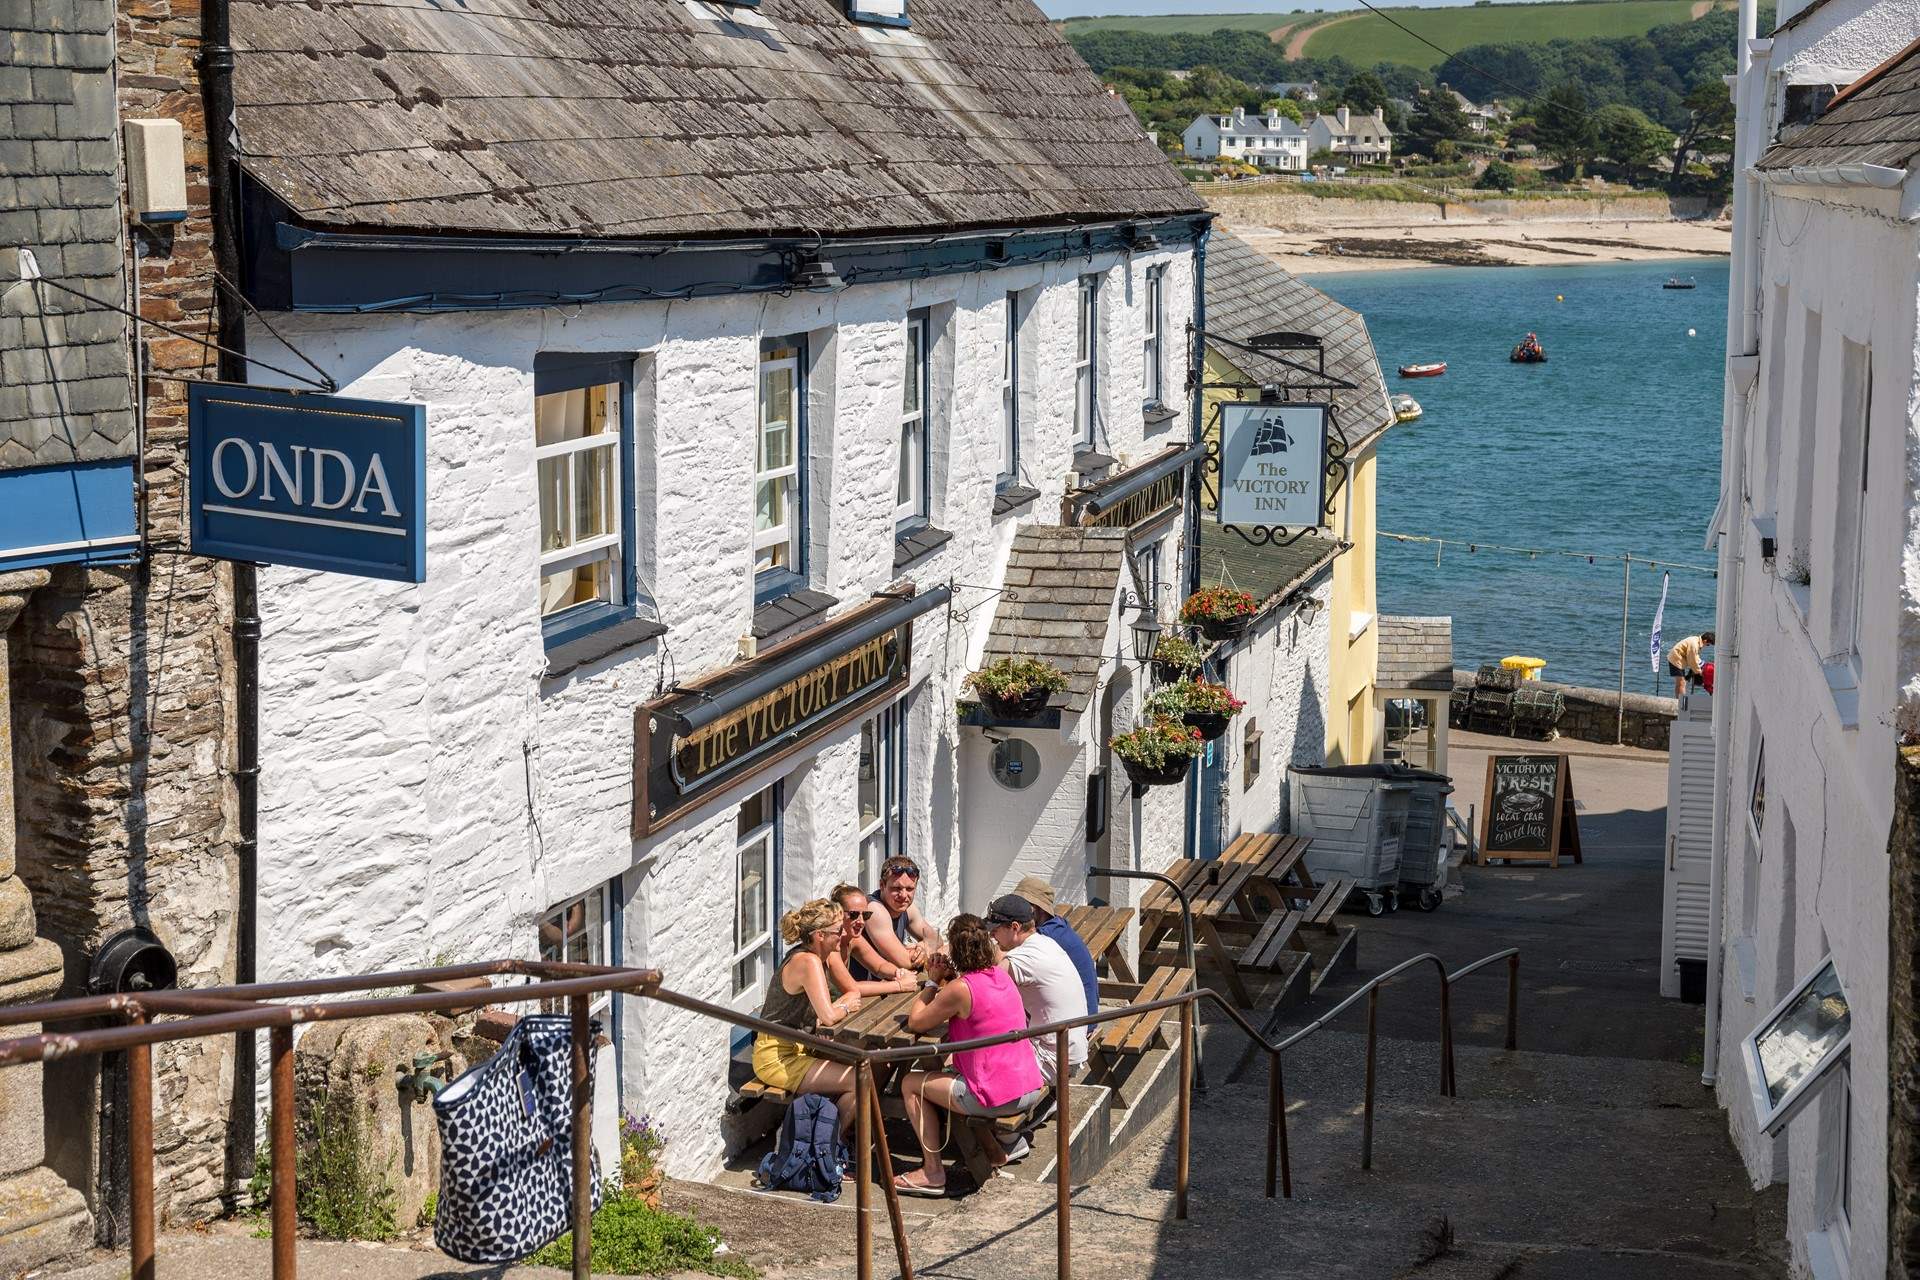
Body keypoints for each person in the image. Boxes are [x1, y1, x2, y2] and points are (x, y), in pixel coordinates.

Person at [894, 915, 1046, 1197]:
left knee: (911, 1084)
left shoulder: (960, 989)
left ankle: (932, 1172)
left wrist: (932, 982)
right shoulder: (1000, 975)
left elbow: (916, 1022)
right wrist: (950, 979)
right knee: (953, 1074)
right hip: (1028, 1085)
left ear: (958, 952)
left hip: (997, 1096)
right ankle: (993, 1152)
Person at [751, 899, 864, 1135]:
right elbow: (829, 1016)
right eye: (838, 931)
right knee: (859, 1080)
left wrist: (839, 1006)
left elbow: (825, 1012)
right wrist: (845, 1007)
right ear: (820, 935)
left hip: (802, 1048)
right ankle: (827, 1145)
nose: (843, 934)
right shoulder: (808, 961)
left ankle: (818, 1133)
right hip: (779, 1057)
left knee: (868, 1058)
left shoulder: (817, 957)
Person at [1013, 875, 1099, 1018]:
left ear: (1036, 910)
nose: (1016, 912)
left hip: (1078, 1022)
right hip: (1086, 1013)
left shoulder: (1044, 936)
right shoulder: (1057, 925)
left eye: (1020, 907)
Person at [828, 884, 918, 996]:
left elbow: (879, 966)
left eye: (865, 915)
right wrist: (899, 985)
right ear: (837, 914)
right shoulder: (830, 946)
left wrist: (899, 973)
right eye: (854, 914)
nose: (861, 921)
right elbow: (850, 987)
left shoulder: (853, 940)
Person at [861, 855, 939, 972]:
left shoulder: (907, 908)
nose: (903, 895)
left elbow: (937, 940)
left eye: (909, 889)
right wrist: (925, 949)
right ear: (882, 885)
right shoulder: (874, 909)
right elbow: (905, 961)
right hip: (867, 987)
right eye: (896, 888)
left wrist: (923, 946)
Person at [1667, 630, 1714, 699]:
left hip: (1677, 658)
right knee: (1681, 683)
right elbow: (1692, 660)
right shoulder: (1694, 644)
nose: (1707, 646)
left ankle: (1678, 700)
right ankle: (1681, 702)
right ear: (1705, 641)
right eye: (1708, 644)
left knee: (1680, 682)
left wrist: (1701, 664)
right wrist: (1699, 672)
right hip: (1676, 659)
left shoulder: (1696, 640)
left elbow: (1695, 657)